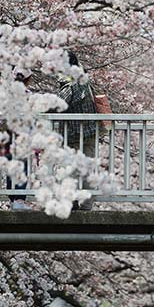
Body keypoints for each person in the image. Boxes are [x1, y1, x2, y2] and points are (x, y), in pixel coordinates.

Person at [57, 51, 98, 210]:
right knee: (87, 170)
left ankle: (72, 201)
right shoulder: (83, 78)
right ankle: (86, 204)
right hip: (89, 131)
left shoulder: (71, 82)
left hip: (75, 133)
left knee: (71, 169)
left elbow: (59, 105)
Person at [0, 70, 33, 211]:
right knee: (22, 168)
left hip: (7, 135)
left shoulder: (7, 95)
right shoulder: (28, 96)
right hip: (22, 136)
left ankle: (12, 198)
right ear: (28, 79)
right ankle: (19, 200)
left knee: (10, 167)